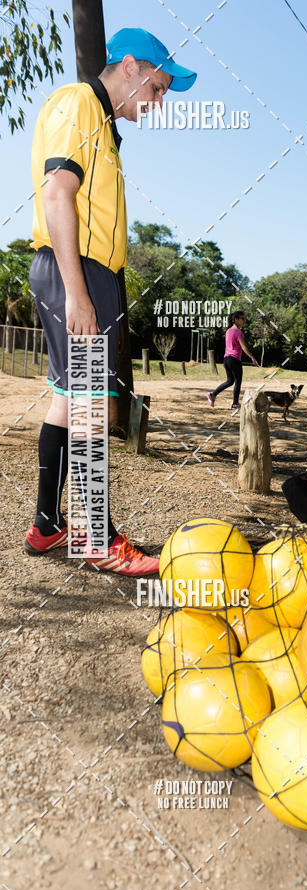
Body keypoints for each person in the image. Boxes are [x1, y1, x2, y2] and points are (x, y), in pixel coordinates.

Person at [24, 28, 197, 575]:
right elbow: (57, 195)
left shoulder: (101, 121)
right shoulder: (79, 103)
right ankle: (96, 538)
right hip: (77, 271)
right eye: (159, 86)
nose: (159, 100)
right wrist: (79, 293)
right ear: (130, 66)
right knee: (91, 405)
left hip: (82, 271)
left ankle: (48, 526)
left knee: (67, 399)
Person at [207, 311, 259, 409]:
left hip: (226, 359)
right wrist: (252, 358)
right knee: (237, 381)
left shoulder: (228, 331)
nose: (244, 321)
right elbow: (244, 348)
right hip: (234, 359)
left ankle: (213, 394)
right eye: (242, 319)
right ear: (236, 320)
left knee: (230, 381)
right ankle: (235, 404)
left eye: (244, 319)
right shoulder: (238, 332)